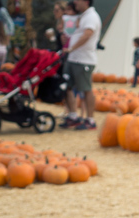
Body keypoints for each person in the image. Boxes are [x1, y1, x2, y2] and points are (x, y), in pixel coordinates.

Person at [61, 0, 101, 130]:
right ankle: (73, 115)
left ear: (86, 1)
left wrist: (72, 48)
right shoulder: (83, 16)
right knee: (67, 87)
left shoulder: (91, 17)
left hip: (84, 60)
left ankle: (90, 119)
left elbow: (87, 35)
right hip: (74, 58)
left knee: (86, 89)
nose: (75, 2)